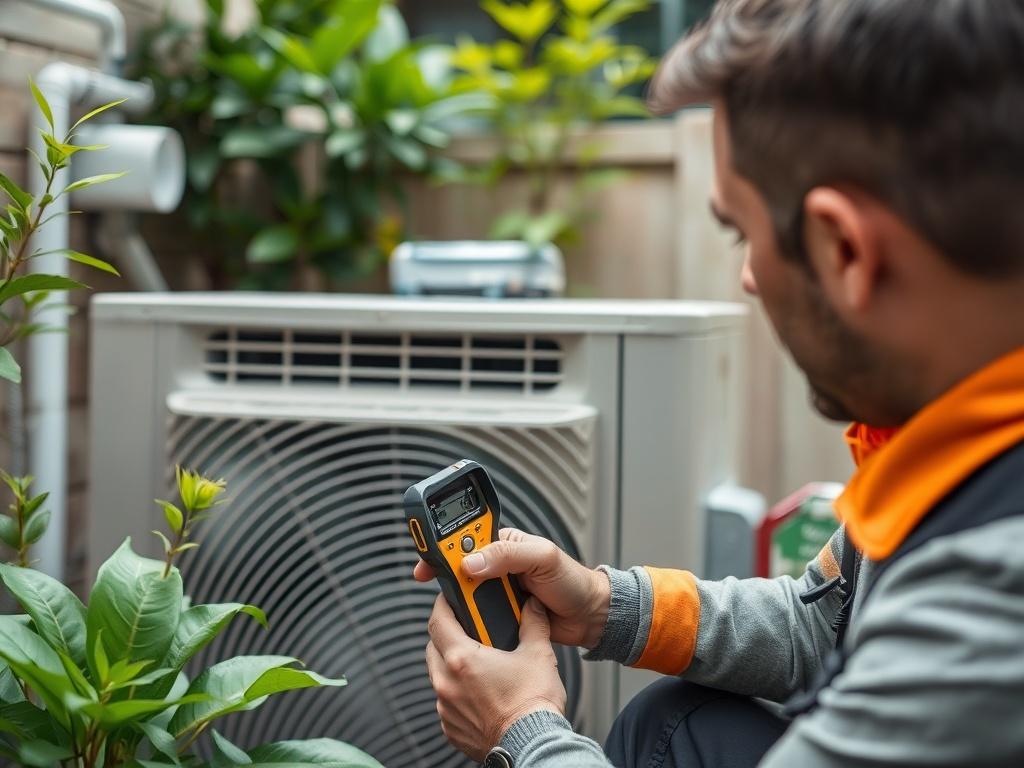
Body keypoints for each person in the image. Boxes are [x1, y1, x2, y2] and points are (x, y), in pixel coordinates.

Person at [415, 0, 1024, 765]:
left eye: (743, 231)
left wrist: (521, 731)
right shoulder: (966, 435)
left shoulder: (992, 590)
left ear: (844, 250)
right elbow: (821, 626)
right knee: (674, 725)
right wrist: (606, 605)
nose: (746, 277)